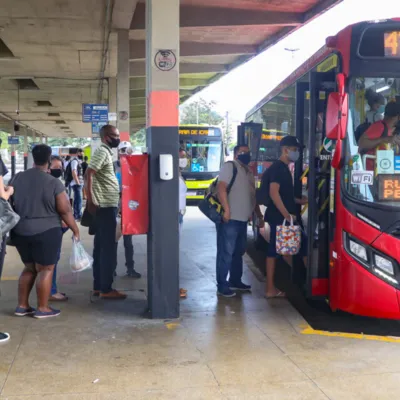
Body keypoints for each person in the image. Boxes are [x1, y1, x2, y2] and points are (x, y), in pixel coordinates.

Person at [10, 144, 79, 319]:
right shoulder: (53, 182)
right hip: (46, 231)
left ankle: (22, 306)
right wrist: (75, 229)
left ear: (33, 158)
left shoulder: (17, 178)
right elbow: (65, 210)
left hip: (20, 231)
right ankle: (43, 308)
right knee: (45, 269)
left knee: (29, 268)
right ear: (49, 160)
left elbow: (9, 203)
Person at [85, 125, 126, 299]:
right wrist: (91, 199)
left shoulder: (107, 152)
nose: (118, 138)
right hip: (104, 207)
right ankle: (107, 289)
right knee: (108, 249)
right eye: (115, 135)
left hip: (105, 206)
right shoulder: (103, 151)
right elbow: (89, 173)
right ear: (106, 137)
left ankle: (98, 286)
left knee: (101, 248)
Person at [263, 136, 308, 299]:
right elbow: (274, 193)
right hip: (280, 218)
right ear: (285, 150)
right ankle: (271, 288)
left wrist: (299, 200)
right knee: (278, 250)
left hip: (282, 218)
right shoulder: (278, 168)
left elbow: (283, 195)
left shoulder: (284, 169)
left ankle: (301, 278)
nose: (296, 153)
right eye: (294, 150)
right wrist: (286, 215)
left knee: (292, 247)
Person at [216, 145, 263, 297]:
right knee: (226, 253)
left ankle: (235, 281)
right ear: (236, 154)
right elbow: (221, 187)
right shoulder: (230, 166)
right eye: (243, 152)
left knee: (238, 252)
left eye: (248, 152)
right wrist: (227, 210)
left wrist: (259, 215)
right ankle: (222, 285)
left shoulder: (249, 172)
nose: (246, 155)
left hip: (243, 220)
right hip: (230, 219)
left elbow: (253, 196)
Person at [113, 141, 141, 279]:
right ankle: (111, 268)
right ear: (118, 152)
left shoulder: (133, 166)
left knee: (128, 242)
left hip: (128, 208)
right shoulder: (113, 166)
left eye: (128, 150)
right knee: (113, 240)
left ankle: (130, 268)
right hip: (115, 206)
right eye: (123, 150)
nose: (126, 152)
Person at [48, 156, 69, 302]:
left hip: (55, 225)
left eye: (60, 167)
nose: (59, 170)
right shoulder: (52, 184)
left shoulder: (53, 182)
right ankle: (51, 291)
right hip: (51, 227)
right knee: (51, 261)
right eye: (56, 168)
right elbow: (62, 208)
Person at [358, 101, 400, 171]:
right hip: (373, 173)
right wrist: (383, 139)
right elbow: (361, 143)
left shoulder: (394, 131)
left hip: (387, 171)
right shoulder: (379, 127)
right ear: (398, 117)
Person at [178, 148, 188, 299]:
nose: (185, 160)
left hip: (178, 215)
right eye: (182, 157)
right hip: (173, 216)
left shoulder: (178, 175)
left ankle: (173, 285)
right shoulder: (172, 176)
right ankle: (171, 286)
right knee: (171, 252)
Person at [68, 148, 83, 220]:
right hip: (76, 184)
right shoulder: (74, 161)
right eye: (80, 152)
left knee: (77, 199)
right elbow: (73, 172)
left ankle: (76, 214)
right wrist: (78, 183)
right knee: (78, 200)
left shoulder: (76, 160)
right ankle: (78, 215)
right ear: (77, 153)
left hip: (77, 183)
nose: (82, 154)